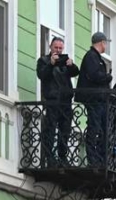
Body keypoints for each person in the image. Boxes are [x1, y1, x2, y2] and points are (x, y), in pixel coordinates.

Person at [37, 36, 79, 167]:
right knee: (50, 129)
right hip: (52, 99)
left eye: (61, 48)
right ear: (50, 47)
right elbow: (42, 75)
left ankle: (62, 157)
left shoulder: (64, 62)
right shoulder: (43, 60)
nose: (58, 50)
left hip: (66, 100)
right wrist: (51, 63)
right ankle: (49, 157)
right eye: (56, 47)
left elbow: (76, 72)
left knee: (65, 130)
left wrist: (71, 65)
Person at [76, 31, 112, 166]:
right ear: (102, 42)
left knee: (102, 129)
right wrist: (107, 77)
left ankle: (100, 158)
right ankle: (93, 158)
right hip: (93, 98)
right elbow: (94, 75)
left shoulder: (95, 57)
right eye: (106, 43)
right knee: (94, 128)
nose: (106, 46)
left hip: (99, 99)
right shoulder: (91, 56)